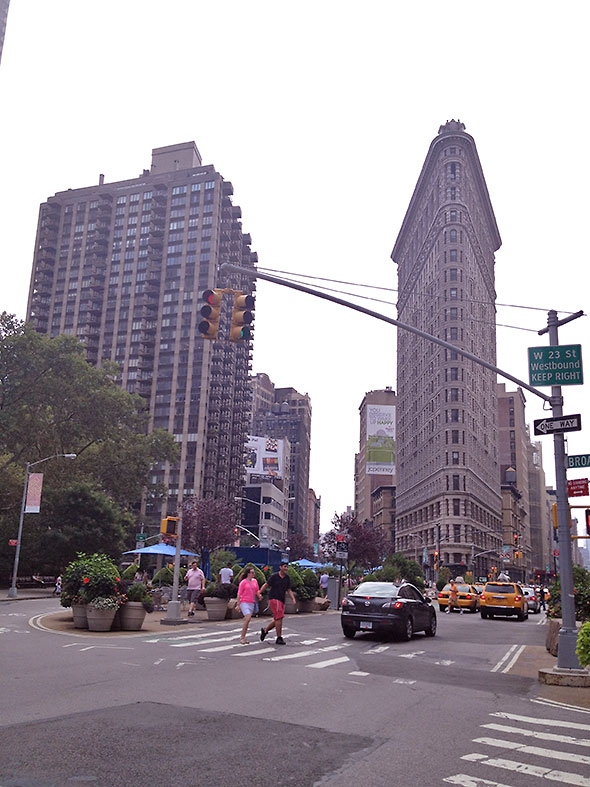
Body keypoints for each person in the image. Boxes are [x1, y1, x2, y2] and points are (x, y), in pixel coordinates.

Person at [258, 561, 297, 645]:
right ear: (280, 567)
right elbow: (266, 584)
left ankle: (265, 630)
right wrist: (260, 592)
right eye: (284, 566)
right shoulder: (274, 576)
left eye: (287, 567)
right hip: (274, 598)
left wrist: (293, 598)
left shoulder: (287, 578)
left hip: (281, 599)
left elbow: (289, 589)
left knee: (278, 618)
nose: (286, 568)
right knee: (279, 617)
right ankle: (279, 637)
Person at [237, 567, 261, 644]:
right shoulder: (243, 582)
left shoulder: (255, 581)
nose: (253, 574)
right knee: (248, 618)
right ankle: (242, 637)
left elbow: (256, 590)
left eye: (254, 573)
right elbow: (239, 594)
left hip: (251, 602)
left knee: (247, 620)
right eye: (252, 572)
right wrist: (238, 604)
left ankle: (243, 635)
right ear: (248, 573)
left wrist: (259, 596)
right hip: (244, 602)